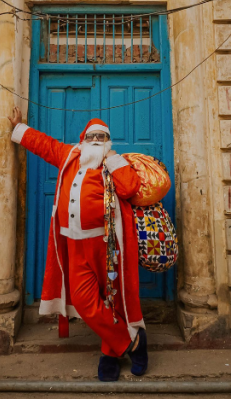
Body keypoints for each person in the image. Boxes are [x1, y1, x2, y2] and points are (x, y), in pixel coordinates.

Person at [8, 107, 148, 381]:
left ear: (107, 142)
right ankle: (131, 342)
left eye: (101, 137)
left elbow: (130, 188)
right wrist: (19, 128)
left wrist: (111, 157)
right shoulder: (69, 156)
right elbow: (43, 145)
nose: (96, 140)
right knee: (85, 302)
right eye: (91, 136)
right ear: (82, 139)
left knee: (112, 298)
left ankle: (109, 353)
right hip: (73, 244)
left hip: (107, 245)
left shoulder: (113, 162)